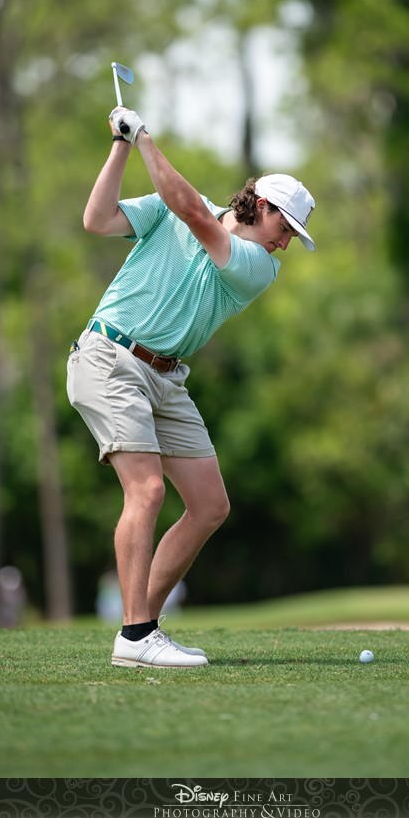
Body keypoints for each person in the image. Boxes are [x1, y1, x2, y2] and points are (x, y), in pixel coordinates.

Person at [67, 102, 316, 669]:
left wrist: (145, 136)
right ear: (264, 206)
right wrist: (122, 146)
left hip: (165, 377)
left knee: (209, 504)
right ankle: (136, 638)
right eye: (286, 228)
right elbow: (97, 219)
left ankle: (140, 628)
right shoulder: (174, 207)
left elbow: (193, 214)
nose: (285, 244)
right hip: (110, 356)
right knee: (148, 491)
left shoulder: (259, 266)